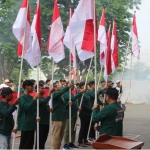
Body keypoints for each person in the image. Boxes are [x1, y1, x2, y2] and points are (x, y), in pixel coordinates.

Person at [18, 80, 40, 149]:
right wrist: (34, 99)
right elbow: (26, 108)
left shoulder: (30, 97)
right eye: (31, 86)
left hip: (31, 124)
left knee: (30, 144)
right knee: (24, 144)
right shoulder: (22, 97)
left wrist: (36, 116)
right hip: (25, 125)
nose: (33, 87)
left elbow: (33, 109)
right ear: (27, 87)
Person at [63, 84, 85, 150]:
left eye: (72, 86)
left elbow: (74, 103)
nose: (72, 87)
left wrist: (77, 108)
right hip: (68, 114)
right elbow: (73, 99)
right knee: (68, 129)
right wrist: (81, 92)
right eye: (70, 86)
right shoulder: (66, 93)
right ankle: (66, 144)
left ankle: (71, 142)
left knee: (73, 129)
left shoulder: (71, 93)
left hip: (74, 114)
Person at [51, 82, 72, 149]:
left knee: (60, 136)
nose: (61, 86)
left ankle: (57, 148)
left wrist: (67, 104)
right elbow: (61, 91)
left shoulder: (60, 96)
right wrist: (67, 87)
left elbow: (62, 107)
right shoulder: (54, 94)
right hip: (57, 118)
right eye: (59, 85)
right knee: (56, 136)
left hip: (62, 118)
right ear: (55, 87)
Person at [35, 83, 55, 149]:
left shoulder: (43, 98)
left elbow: (46, 105)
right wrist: (49, 93)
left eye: (44, 88)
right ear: (37, 89)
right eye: (42, 88)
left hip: (46, 122)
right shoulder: (37, 98)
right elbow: (44, 101)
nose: (43, 90)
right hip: (40, 122)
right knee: (39, 140)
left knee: (43, 140)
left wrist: (49, 110)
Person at [78, 82, 92, 147]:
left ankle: (85, 140)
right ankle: (80, 141)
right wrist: (90, 109)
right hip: (84, 113)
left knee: (87, 127)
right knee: (83, 128)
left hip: (88, 113)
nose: (86, 86)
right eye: (85, 85)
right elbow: (82, 105)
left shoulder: (86, 93)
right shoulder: (80, 94)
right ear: (81, 87)